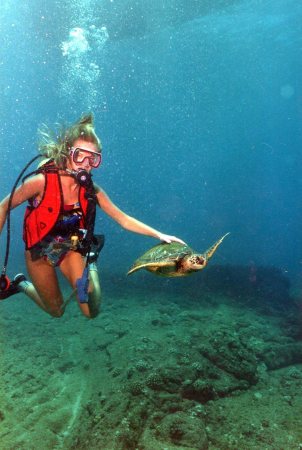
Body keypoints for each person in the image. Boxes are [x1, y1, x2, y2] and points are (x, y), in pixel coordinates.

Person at [0, 114, 184, 319]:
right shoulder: (40, 182)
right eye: (80, 155)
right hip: (38, 253)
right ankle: (21, 284)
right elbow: (3, 207)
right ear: (67, 152)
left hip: (68, 249)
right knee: (57, 310)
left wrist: (159, 235)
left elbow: (122, 219)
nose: (86, 164)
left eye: (93, 158)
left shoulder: (92, 191)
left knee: (90, 310)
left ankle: (91, 262)